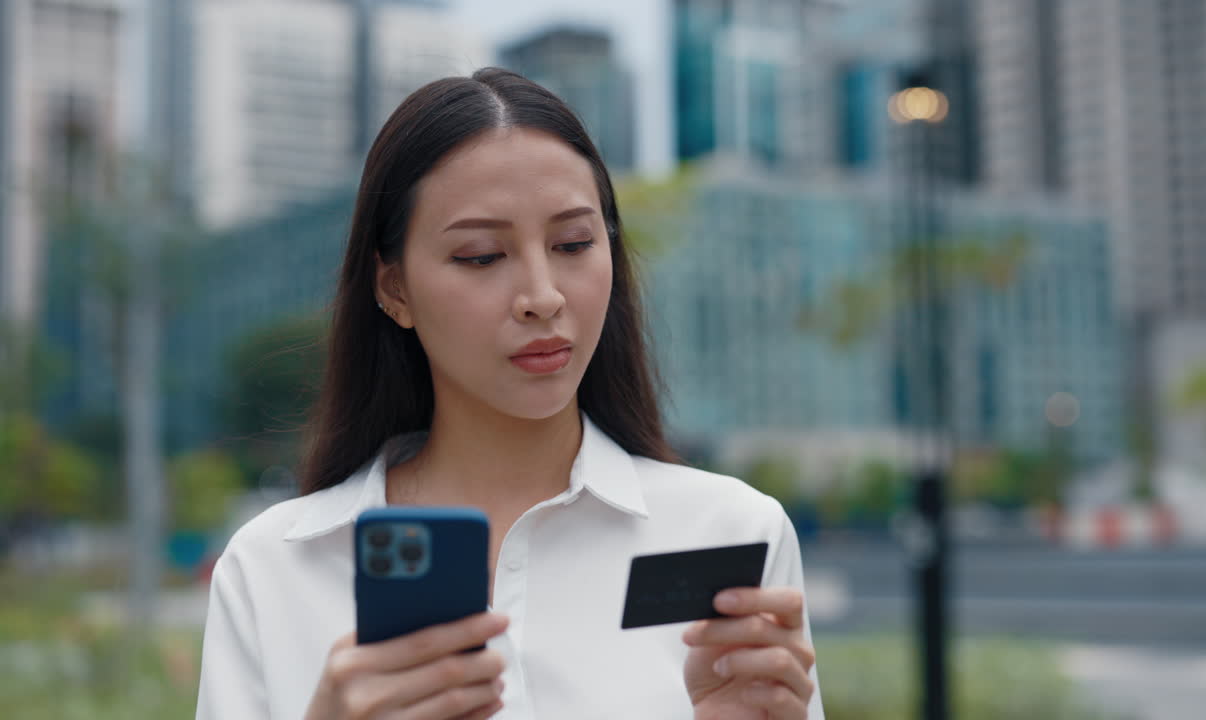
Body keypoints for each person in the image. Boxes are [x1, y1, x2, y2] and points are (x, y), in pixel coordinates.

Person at [195, 67, 824, 720]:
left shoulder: (727, 537)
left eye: (574, 243)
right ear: (394, 290)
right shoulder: (273, 570)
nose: (543, 296)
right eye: (480, 256)